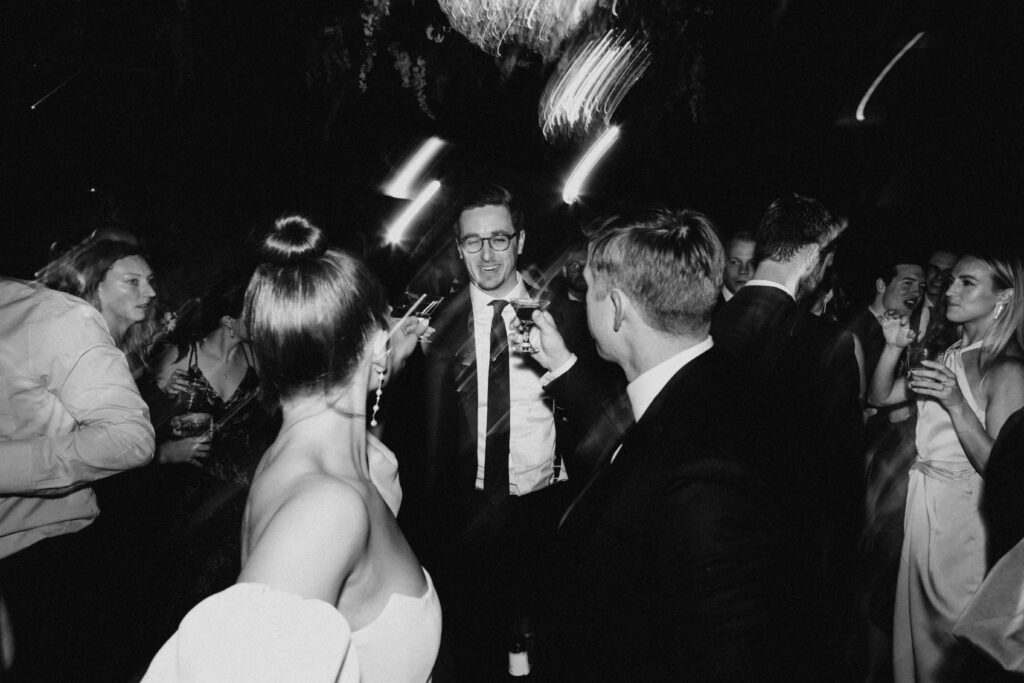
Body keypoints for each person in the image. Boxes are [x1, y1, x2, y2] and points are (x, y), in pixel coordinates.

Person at [146, 216, 440, 681]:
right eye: (386, 318)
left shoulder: (308, 456)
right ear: (374, 342)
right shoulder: (325, 509)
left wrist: (382, 370)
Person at [518, 207, 784, 680]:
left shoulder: (706, 474)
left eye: (593, 295)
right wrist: (560, 365)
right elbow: (631, 442)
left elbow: (725, 654)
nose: (585, 305)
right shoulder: (710, 381)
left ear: (617, 308)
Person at [390, 184, 582, 678]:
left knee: (555, 645)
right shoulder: (435, 329)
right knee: (478, 648)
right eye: (473, 242)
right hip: (468, 515)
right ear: (458, 249)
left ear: (520, 241)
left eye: (499, 238)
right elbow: (410, 435)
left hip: (548, 508)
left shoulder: (562, 314)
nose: (487, 254)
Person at [711, 193, 862, 677]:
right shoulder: (828, 344)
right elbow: (842, 485)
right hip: (789, 568)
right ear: (817, 257)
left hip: (712, 557)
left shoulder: (703, 324)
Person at [869, 252, 1024, 682]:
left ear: (1004, 297)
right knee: (917, 641)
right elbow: (880, 397)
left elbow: (1005, 470)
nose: (949, 290)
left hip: (963, 523)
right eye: (953, 280)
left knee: (950, 648)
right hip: (924, 513)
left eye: (967, 284)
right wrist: (892, 347)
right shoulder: (952, 351)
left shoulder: (1008, 370)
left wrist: (957, 405)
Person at [0, 253, 155, 679]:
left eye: (149, 280)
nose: (151, 292)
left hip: (43, 553)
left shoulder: (52, 318)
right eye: (134, 281)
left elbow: (130, 438)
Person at [721, 230, 756, 304]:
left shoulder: (769, 309)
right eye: (734, 262)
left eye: (751, 263)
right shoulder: (706, 310)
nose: (743, 271)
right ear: (722, 265)